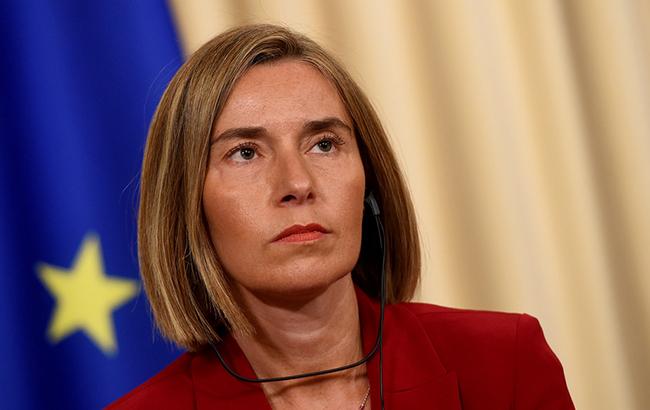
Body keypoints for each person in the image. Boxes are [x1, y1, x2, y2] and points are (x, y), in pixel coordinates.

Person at [108, 24, 574, 409]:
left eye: (324, 144)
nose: (297, 183)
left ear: (369, 184)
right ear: (187, 206)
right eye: (245, 152)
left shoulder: (504, 361)